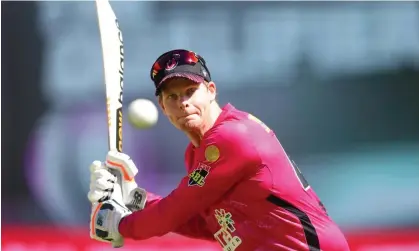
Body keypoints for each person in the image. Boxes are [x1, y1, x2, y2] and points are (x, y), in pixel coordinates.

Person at [88, 49, 350, 250]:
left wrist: (121, 226)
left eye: (191, 91)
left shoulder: (231, 137)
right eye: (172, 97)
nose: (183, 103)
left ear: (211, 91)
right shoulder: (196, 153)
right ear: (163, 107)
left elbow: (173, 212)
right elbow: (210, 225)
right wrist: (138, 198)